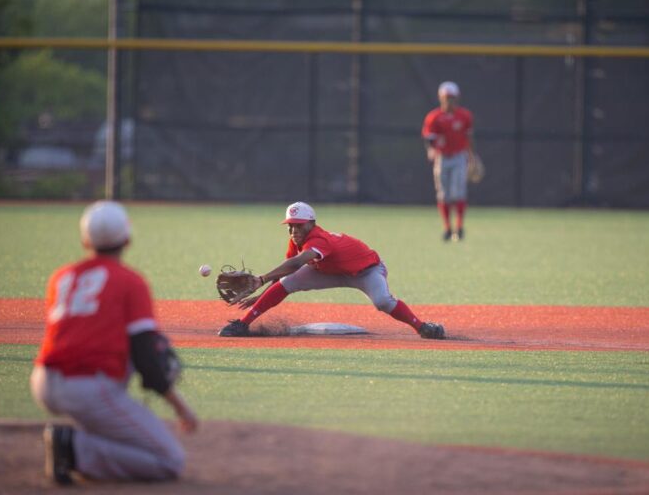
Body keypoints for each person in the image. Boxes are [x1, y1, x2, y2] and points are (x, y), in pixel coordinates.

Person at [30, 200, 198, 485]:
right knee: (170, 461)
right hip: (88, 388)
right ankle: (74, 448)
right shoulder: (130, 281)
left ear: (85, 240)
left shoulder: (61, 277)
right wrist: (181, 407)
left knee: (120, 343)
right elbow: (146, 358)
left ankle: (85, 436)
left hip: (43, 380)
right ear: (127, 238)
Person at [218, 201, 446, 339]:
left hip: (366, 271)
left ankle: (422, 327)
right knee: (288, 284)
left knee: (383, 302)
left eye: (299, 225)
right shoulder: (296, 240)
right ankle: (242, 324)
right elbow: (288, 272)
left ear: (311, 224)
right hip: (327, 270)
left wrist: (261, 278)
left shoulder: (320, 239)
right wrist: (263, 289)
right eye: (290, 225)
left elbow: (298, 263)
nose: (294, 230)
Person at [422, 81, 477, 242]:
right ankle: (447, 228)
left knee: (458, 193)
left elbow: (469, 136)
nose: (449, 101)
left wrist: (472, 155)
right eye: (446, 97)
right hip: (442, 158)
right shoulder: (434, 117)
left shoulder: (465, 115)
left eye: (451, 98)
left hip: (459, 157)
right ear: (441, 98)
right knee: (443, 195)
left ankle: (459, 228)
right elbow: (429, 138)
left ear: (457, 98)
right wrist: (431, 150)